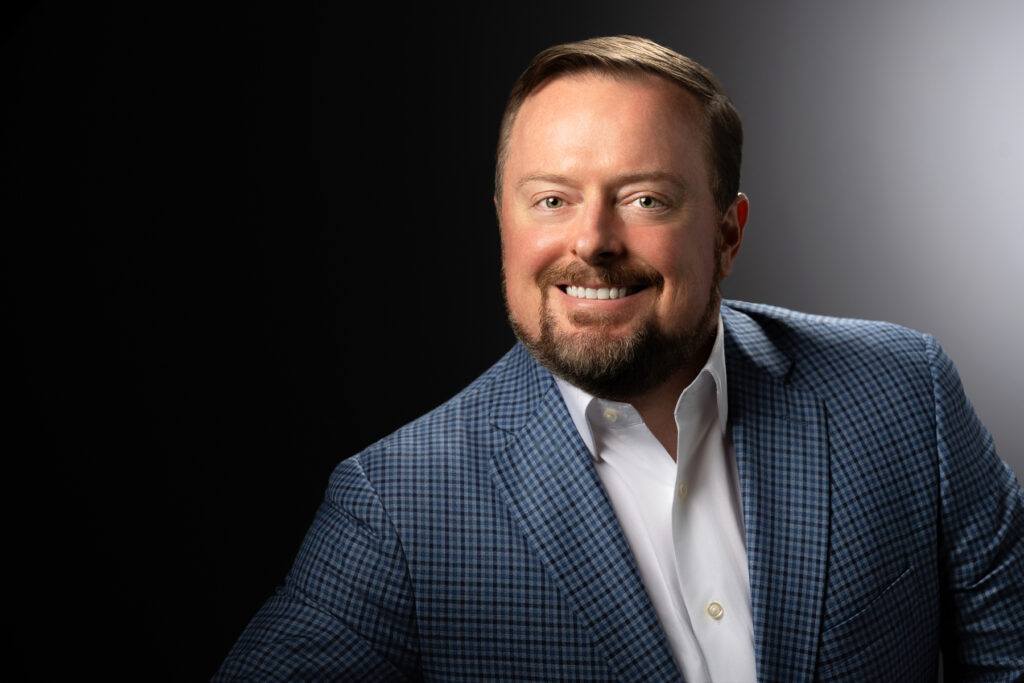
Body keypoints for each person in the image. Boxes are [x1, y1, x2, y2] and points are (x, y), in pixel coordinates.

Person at [216, 35, 1024, 681]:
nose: (593, 241)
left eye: (644, 199)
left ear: (727, 233)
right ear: (505, 225)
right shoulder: (397, 506)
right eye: (552, 200)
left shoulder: (902, 393)